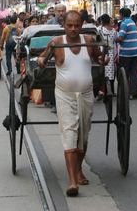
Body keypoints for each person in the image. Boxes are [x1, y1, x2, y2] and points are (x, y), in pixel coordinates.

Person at [37, 10, 109, 196]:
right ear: (64, 25)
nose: (73, 29)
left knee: (83, 134)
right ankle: (71, 182)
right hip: (64, 95)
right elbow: (42, 58)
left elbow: (99, 58)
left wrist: (104, 60)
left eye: (77, 25)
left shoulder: (90, 42)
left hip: (85, 95)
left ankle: (78, 170)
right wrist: (40, 61)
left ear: (82, 25)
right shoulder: (56, 43)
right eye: (69, 25)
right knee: (69, 134)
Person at [116, 8, 137, 100]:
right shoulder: (132, 22)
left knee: (123, 73)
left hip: (126, 52)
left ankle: (123, 92)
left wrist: (115, 40)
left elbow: (121, 37)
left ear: (121, 14)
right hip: (135, 51)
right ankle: (133, 93)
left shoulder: (124, 23)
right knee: (133, 73)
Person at [47, 4, 67, 113]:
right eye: (59, 11)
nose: (61, 13)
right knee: (54, 80)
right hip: (55, 54)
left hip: (68, 54)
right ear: (55, 12)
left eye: (63, 11)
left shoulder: (69, 21)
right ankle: (54, 103)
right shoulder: (50, 23)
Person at [98, 14, 118, 94]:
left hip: (102, 51)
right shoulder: (114, 31)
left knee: (103, 69)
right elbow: (116, 40)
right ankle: (111, 90)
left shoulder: (100, 29)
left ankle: (102, 89)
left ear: (102, 21)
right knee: (111, 71)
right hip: (111, 52)